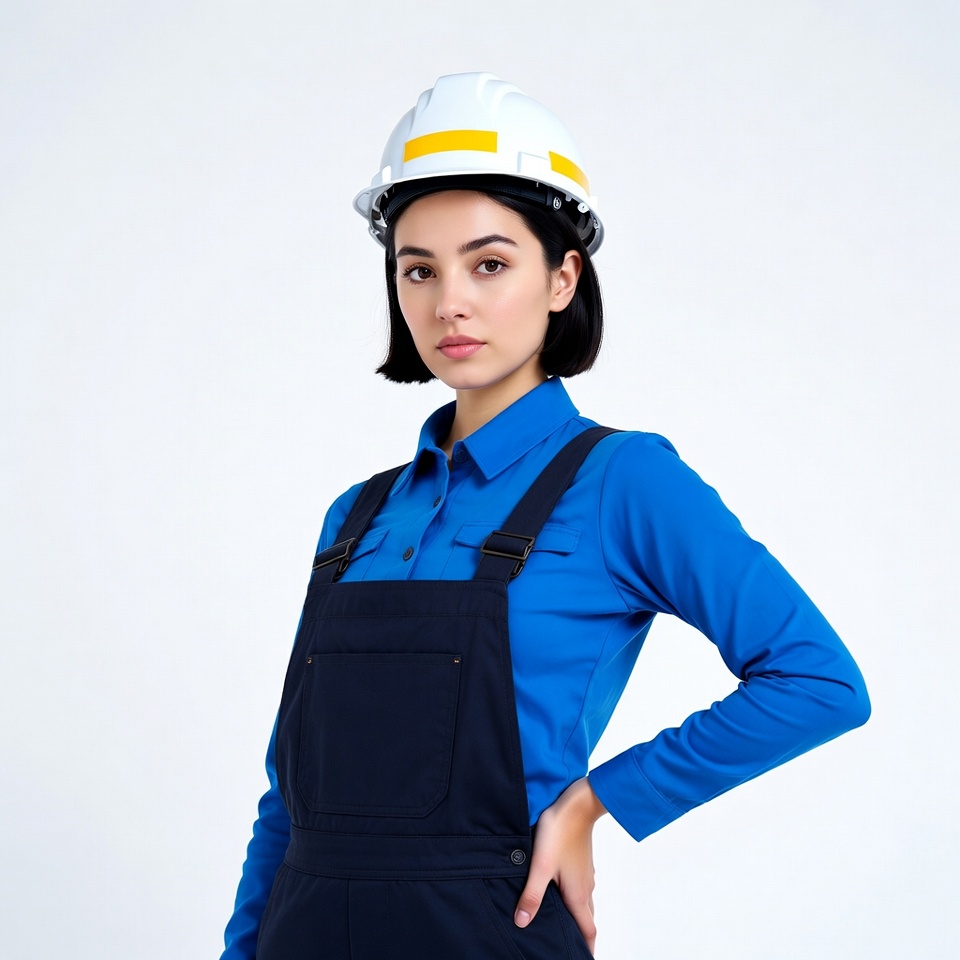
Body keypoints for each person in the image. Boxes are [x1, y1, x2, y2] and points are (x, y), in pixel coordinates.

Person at [221, 72, 870, 959]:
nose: (449, 302)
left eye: (489, 264)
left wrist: (595, 801)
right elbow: (287, 800)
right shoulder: (357, 514)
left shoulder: (622, 481)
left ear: (563, 277)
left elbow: (818, 682)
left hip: (491, 933)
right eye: (419, 269)